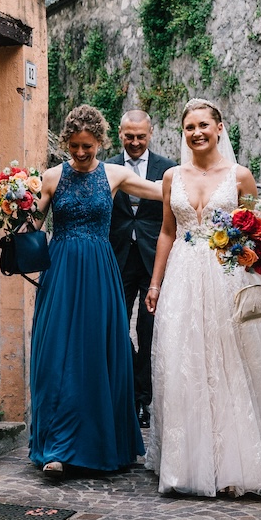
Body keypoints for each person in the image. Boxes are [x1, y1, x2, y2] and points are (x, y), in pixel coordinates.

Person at [144, 98, 261, 496]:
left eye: (204, 125)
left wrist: (252, 254)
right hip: (183, 277)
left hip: (226, 276)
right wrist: (155, 284)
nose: (197, 133)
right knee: (184, 362)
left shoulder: (240, 176)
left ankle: (232, 467)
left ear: (219, 128)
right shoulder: (172, 176)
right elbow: (167, 233)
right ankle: (186, 463)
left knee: (228, 362)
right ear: (183, 133)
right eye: (190, 127)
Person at [28, 105, 163, 476]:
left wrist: (205, 181)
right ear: (65, 143)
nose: (81, 154)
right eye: (74, 147)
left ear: (100, 142)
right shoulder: (53, 177)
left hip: (101, 272)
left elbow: (162, 192)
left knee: (99, 353)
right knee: (57, 355)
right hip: (61, 273)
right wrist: (15, 205)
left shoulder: (115, 174)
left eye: (87, 146)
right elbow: (33, 223)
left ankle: (103, 443)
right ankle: (56, 448)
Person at [106, 110, 176, 429]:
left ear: (151, 133)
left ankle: (142, 402)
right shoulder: (105, 167)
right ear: (120, 134)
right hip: (115, 257)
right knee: (117, 326)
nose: (135, 142)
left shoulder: (168, 168)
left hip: (153, 261)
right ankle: (128, 391)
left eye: (141, 136)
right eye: (129, 136)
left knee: (148, 331)